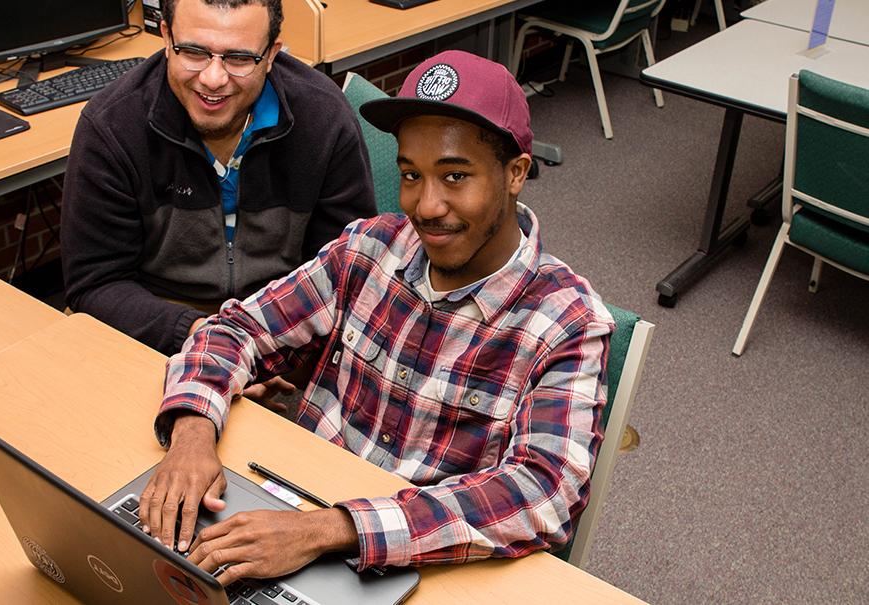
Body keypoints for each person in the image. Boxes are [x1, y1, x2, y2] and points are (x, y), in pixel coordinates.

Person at [140, 50, 615, 584]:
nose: (426, 205)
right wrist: (191, 436)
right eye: (411, 174)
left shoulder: (568, 321)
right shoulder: (369, 248)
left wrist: (327, 530)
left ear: (515, 174)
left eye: (455, 176)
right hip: (287, 506)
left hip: (412, 566)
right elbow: (237, 329)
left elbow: (542, 492)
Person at [60, 0, 376, 355]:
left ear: (272, 53)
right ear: (166, 38)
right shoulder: (112, 126)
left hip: (286, 329)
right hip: (159, 328)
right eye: (193, 52)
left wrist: (269, 351)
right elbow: (95, 282)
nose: (213, 78)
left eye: (239, 58)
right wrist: (206, 340)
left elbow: (344, 270)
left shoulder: (323, 118)